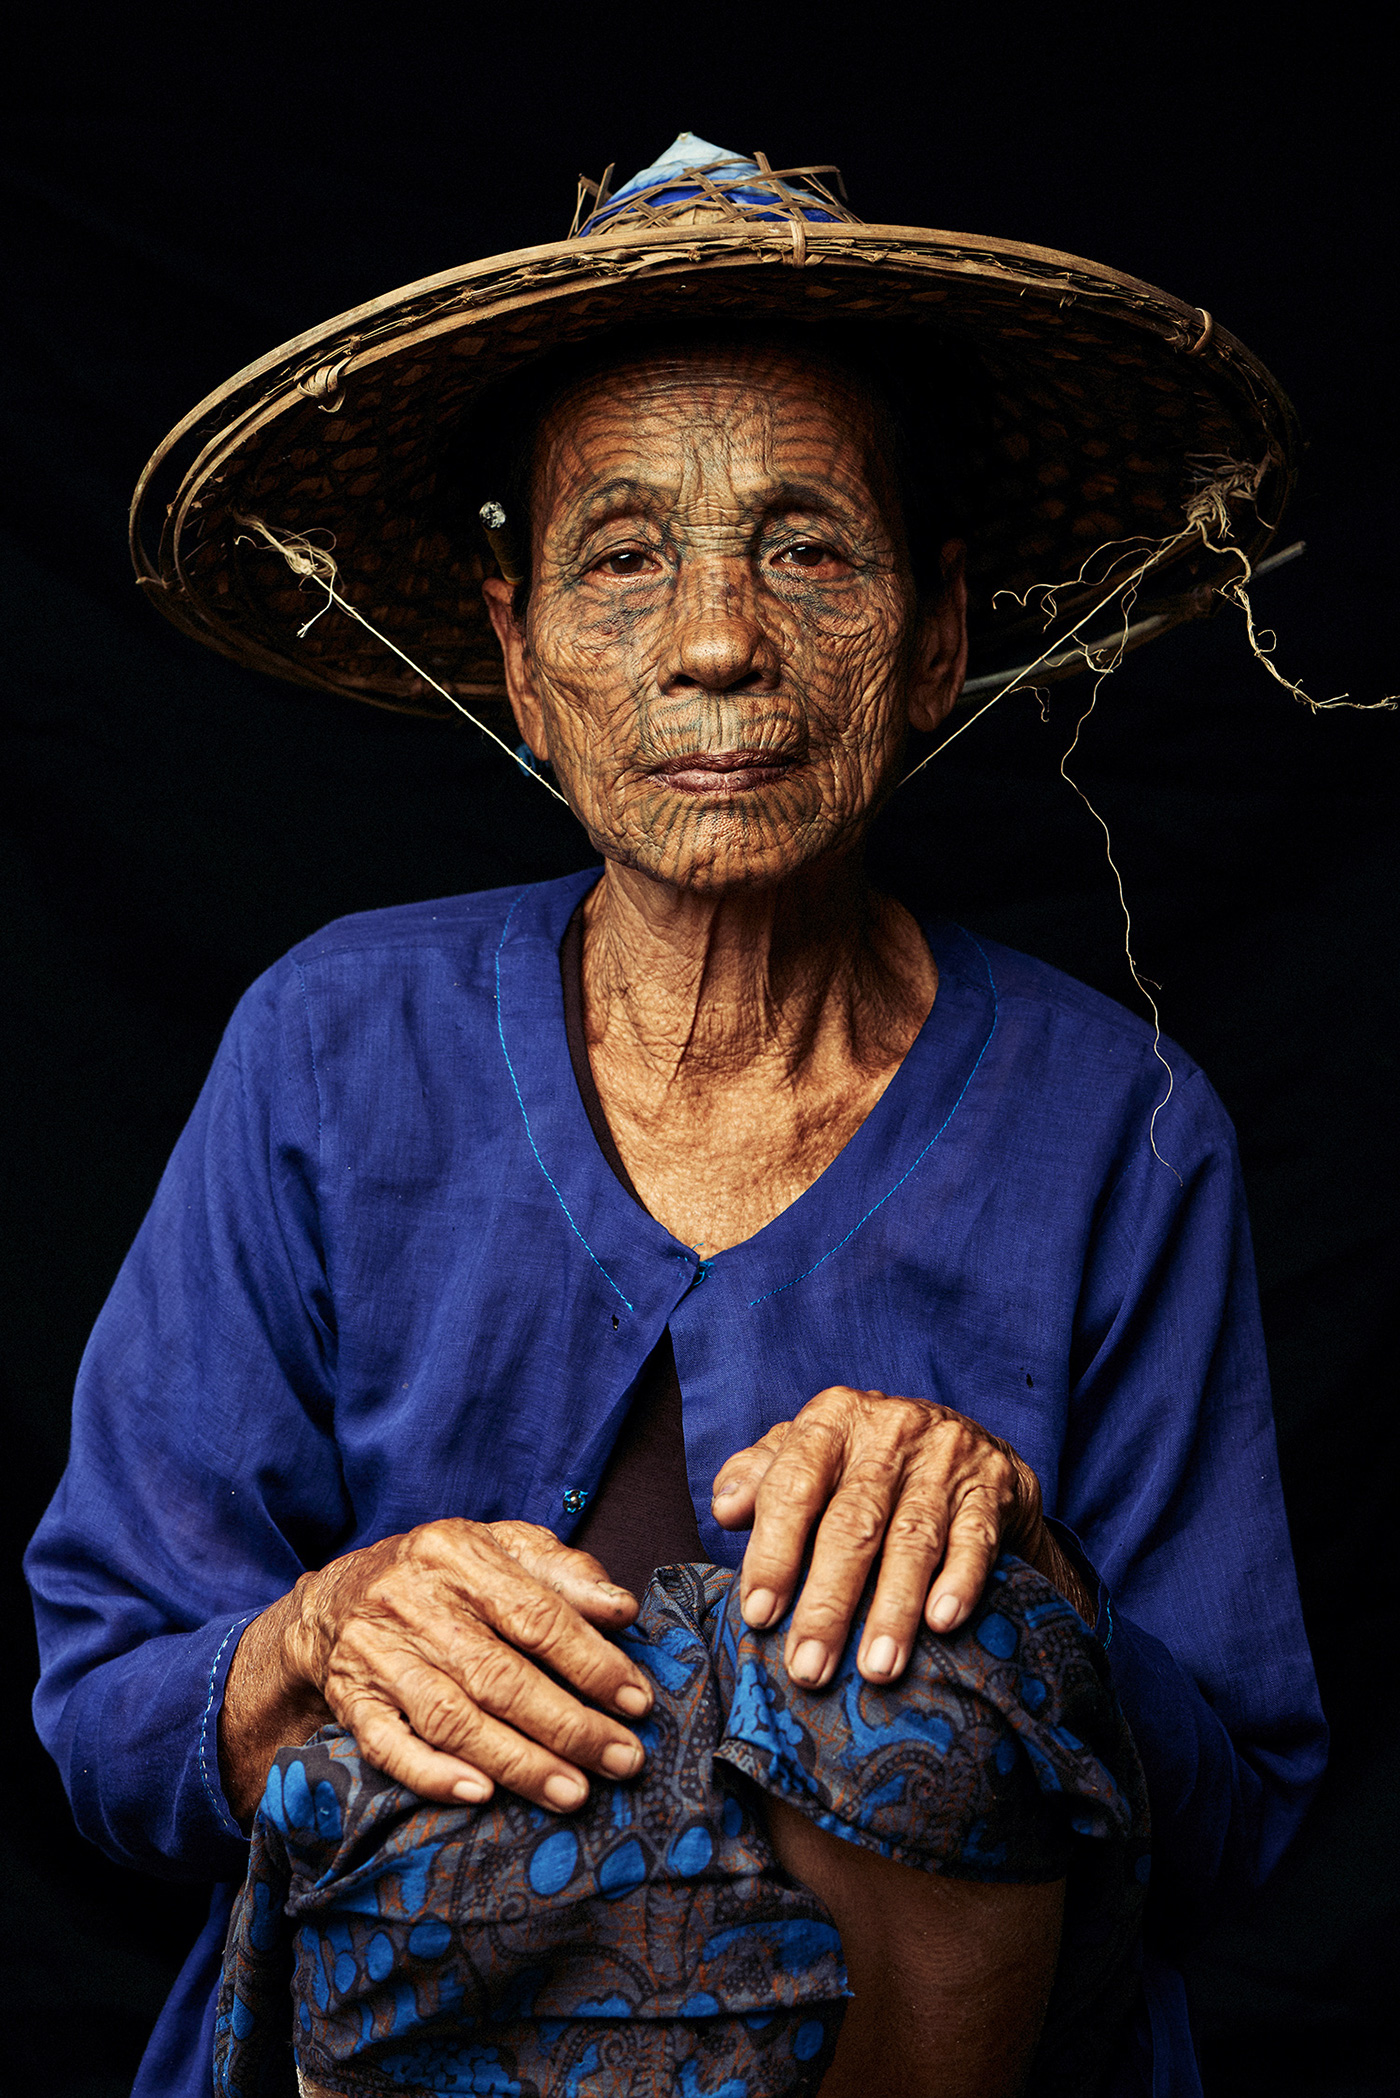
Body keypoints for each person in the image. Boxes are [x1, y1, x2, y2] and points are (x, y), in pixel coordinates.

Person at [27, 136, 1326, 2097]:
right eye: (623, 557)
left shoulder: (1115, 1121)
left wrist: (1025, 1574)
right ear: (518, 660)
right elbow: (111, 1700)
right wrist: (322, 1626)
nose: (718, 637)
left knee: (930, 1637)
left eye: (806, 547)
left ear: (940, 638)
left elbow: (1234, 1811)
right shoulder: (331, 1043)